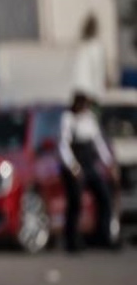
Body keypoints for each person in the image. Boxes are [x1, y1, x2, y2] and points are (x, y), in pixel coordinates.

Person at [59, 90, 116, 252]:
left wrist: (108, 162)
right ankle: (72, 240)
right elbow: (63, 145)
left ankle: (103, 235)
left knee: (104, 197)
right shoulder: (67, 119)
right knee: (75, 202)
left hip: (89, 163)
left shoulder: (90, 119)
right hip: (75, 164)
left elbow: (98, 143)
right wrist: (73, 167)